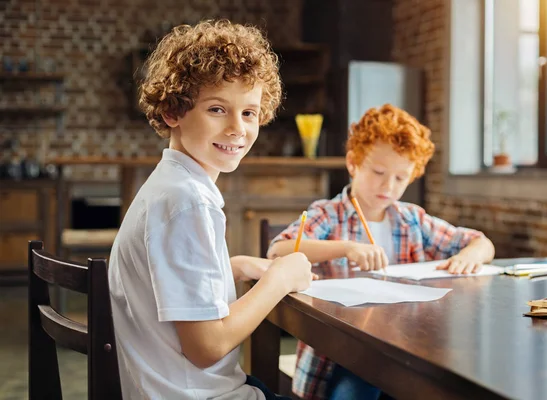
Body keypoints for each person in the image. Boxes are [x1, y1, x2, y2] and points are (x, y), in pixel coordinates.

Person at [108, 19, 314, 400]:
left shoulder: (168, 186)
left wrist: (235, 266)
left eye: (249, 113)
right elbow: (207, 347)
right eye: (218, 109)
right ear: (173, 112)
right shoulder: (187, 202)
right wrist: (279, 280)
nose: (238, 128)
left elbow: (168, 281)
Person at [268, 104, 495, 400]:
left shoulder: (411, 219)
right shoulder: (329, 214)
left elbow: (482, 243)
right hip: (342, 356)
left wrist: (469, 255)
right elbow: (278, 250)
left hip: (405, 352)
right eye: (378, 172)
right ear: (353, 164)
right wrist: (346, 248)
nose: (388, 186)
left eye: (401, 178)